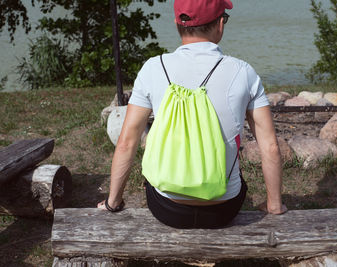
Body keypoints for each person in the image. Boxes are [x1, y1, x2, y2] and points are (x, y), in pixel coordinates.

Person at [98, 0, 287, 228]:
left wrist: (113, 202)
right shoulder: (243, 72)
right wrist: (274, 205)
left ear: (177, 23)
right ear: (220, 24)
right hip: (223, 210)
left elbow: (127, 143)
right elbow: (270, 147)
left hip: (167, 208)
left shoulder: (152, 68)